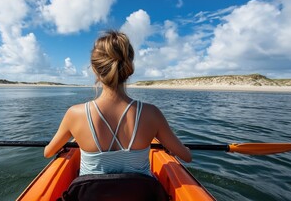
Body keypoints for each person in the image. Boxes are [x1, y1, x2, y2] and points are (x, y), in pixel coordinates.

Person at [44, 30, 191, 177]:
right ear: (129, 68)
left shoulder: (75, 114)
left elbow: (48, 152)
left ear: (95, 69)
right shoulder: (151, 113)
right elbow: (186, 157)